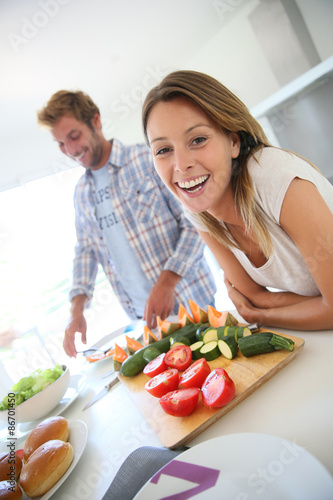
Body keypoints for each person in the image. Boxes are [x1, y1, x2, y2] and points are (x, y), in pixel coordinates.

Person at [142, 70, 333, 331]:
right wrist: (315, 306)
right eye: (163, 150)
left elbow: (259, 306)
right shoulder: (198, 209)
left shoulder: (277, 179)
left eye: (198, 140)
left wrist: (262, 316)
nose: (181, 165)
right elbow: (255, 296)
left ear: (233, 141)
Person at [37, 90, 217, 357]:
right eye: (61, 143)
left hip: (194, 303)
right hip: (148, 323)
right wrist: (76, 312)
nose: (71, 150)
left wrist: (166, 283)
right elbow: (85, 252)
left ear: (95, 121)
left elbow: (195, 220)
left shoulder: (147, 160)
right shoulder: (81, 194)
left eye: (73, 136)